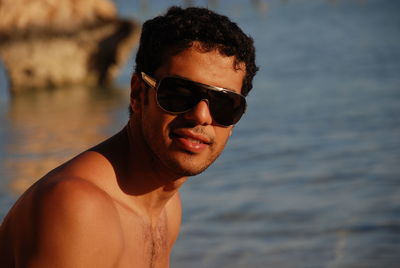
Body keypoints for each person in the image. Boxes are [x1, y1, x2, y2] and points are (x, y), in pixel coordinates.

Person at [0, 6, 258, 267]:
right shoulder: (78, 207)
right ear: (138, 93)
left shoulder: (166, 205)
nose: (202, 115)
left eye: (225, 104)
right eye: (179, 93)